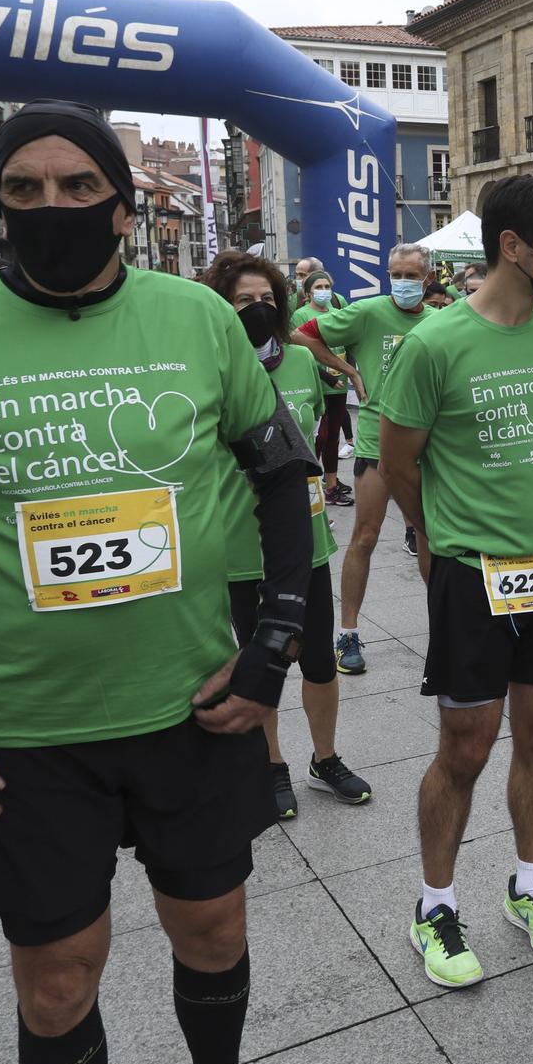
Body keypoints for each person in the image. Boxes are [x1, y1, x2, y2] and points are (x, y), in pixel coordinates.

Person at [0, 101, 313, 1064]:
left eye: (76, 185)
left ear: (121, 205)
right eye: (22, 190)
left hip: (193, 705)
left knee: (215, 929)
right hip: (24, 732)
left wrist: (273, 639)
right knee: (57, 982)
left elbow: (279, 473)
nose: (50, 205)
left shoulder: (195, 316)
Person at [377, 173, 533, 990]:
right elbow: (399, 462)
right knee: (464, 750)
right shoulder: (435, 344)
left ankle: (529, 884)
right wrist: (429, 539)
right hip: (473, 575)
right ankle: (434, 903)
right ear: (514, 245)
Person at [201, 251, 370, 816]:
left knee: (319, 660)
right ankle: (271, 763)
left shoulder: (299, 360)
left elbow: (318, 438)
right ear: (221, 309)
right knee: (259, 660)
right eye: (243, 301)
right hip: (240, 547)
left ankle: (325, 758)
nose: (256, 310)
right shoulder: (207, 367)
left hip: (309, 541)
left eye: (266, 300)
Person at [290, 243, 432, 674]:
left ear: (427, 278)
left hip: (428, 445)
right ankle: (348, 633)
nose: (403, 283)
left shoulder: (441, 322)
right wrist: (349, 372)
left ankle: (445, 626)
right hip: (375, 440)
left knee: (432, 538)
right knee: (365, 537)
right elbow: (303, 335)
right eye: (396, 274)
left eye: (411, 275)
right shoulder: (367, 313)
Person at [291, 268, 354, 507]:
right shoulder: (300, 315)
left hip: (340, 385)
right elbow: (300, 352)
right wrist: (326, 378)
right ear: (307, 293)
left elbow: (349, 347)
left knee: (333, 438)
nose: (324, 291)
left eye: (327, 287)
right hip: (316, 385)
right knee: (320, 435)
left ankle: (332, 486)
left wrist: (353, 375)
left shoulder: (339, 313)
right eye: (319, 288)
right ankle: (309, 485)